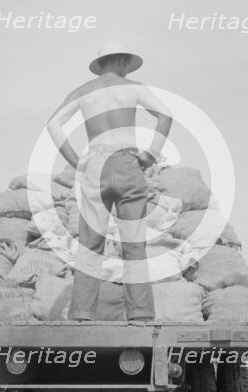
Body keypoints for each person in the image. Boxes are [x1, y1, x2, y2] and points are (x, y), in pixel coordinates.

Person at [46, 42, 172, 321]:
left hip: (95, 166)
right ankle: (139, 315)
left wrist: (75, 160)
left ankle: (81, 313)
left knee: (90, 244)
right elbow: (166, 116)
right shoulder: (134, 87)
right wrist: (150, 155)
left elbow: (53, 124)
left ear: (100, 64)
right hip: (128, 163)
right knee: (134, 244)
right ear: (124, 61)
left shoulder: (83, 92)